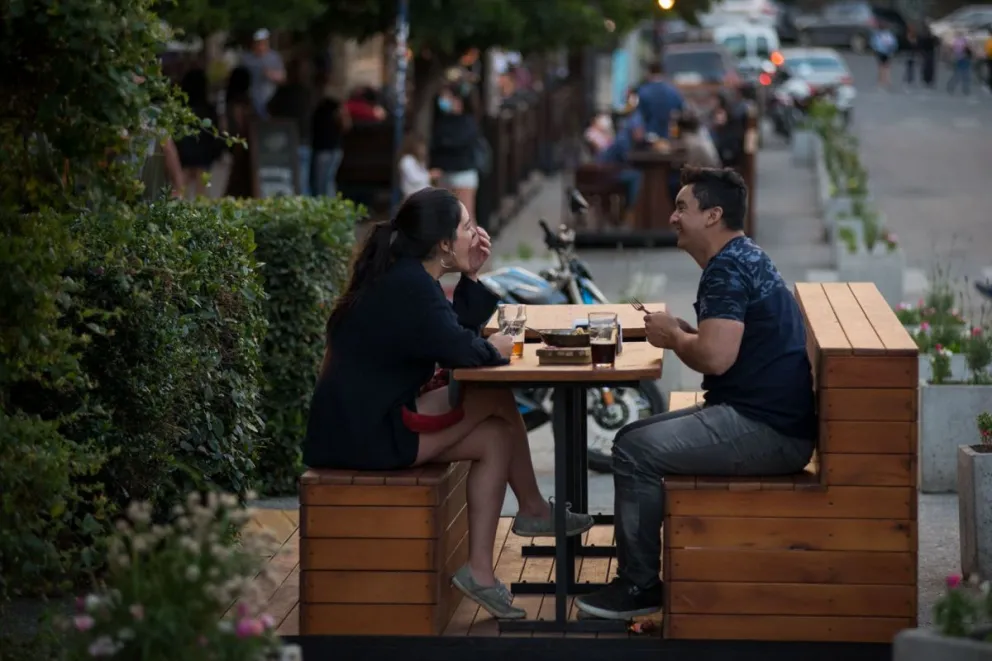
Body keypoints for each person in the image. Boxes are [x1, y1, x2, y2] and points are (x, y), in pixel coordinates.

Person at [304, 187, 595, 619]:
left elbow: (450, 332)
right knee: (492, 391)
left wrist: (473, 279)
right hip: (367, 436)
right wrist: (496, 346)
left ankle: (482, 569)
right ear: (443, 243)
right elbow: (464, 350)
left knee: (495, 437)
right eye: (466, 227)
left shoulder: (406, 278)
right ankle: (532, 510)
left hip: (359, 426)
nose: (476, 234)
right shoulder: (411, 287)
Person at [575, 167, 817, 620]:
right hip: (772, 419)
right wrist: (688, 334)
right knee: (631, 438)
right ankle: (638, 577)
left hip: (768, 431)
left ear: (713, 215)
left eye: (682, 207)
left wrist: (672, 338)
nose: (673, 217)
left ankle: (638, 586)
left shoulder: (726, 268)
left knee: (632, 450)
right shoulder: (744, 256)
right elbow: (726, 346)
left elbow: (716, 358)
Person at [431, 86, 481, 219]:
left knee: (466, 216)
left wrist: (445, 142)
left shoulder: (468, 121)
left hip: (462, 174)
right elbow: (436, 143)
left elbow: (459, 143)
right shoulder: (442, 120)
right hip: (444, 173)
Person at [267, 57, 314, 196]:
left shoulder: (285, 91)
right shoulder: (307, 92)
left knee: (286, 183)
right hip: (303, 140)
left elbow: (269, 107)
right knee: (302, 182)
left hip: (286, 142)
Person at [175, 67, 221, 198]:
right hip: (203, 155)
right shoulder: (209, 109)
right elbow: (215, 134)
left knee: (180, 189)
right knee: (202, 193)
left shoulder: (180, 109)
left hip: (184, 155)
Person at [634, 62, 685, 140]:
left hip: (650, 136)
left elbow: (639, 115)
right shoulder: (672, 91)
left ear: (649, 72)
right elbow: (681, 110)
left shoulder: (643, 92)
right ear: (663, 72)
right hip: (669, 136)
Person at [241, 28, 286, 117]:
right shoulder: (247, 59)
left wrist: (272, 74)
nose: (260, 46)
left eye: (262, 43)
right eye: (257, 43)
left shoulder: (274, 57)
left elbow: (282, 77)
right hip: (251, 98)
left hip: (270, 97)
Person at [398, 133, 440, 198]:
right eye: (421, 146)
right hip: (412, 195)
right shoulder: (407, 160)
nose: (423, 149)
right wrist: (430, 175)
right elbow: (414, 178)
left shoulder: (418, 161)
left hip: (421, 195)